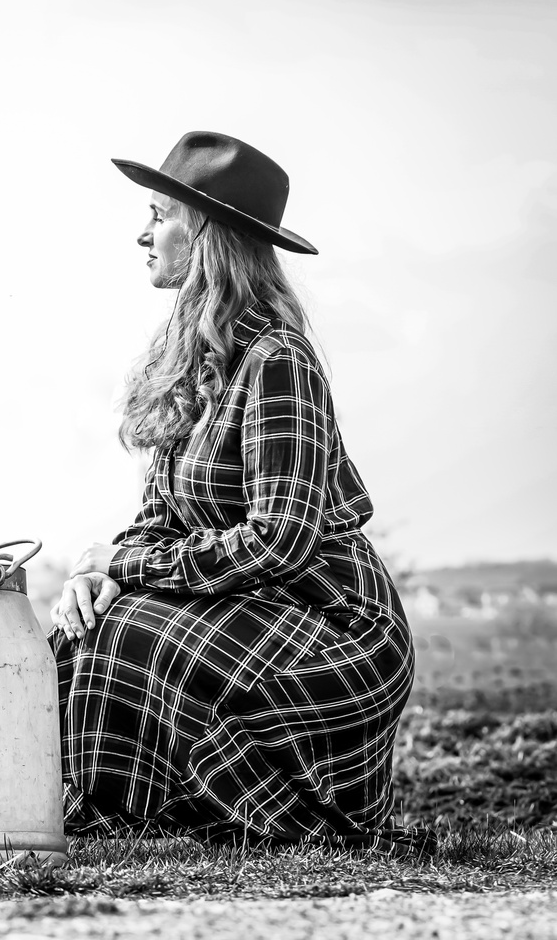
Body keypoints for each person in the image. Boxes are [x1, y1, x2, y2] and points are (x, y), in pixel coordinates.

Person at [50, 131, 416, 849]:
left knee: (139, 637)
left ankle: (292, 819)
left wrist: (126, 570)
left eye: (160, 215)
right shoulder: (189, 364)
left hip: (331, 627)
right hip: (247, 609)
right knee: (88, 632)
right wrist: (99, 577)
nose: (142, 233)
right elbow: (157, 522)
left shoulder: (278, 360)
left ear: (207, 234)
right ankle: (120, 821)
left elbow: (278, 541)